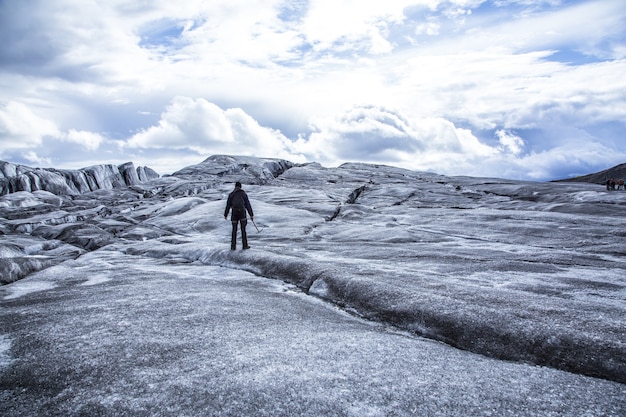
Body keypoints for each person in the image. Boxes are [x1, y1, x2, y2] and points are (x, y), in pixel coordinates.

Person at [224, 182, 254, 250]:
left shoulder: (231, 194)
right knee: (243, 230)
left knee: (234, 230)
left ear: (235, 187)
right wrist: (251, 215)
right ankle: (245, 245)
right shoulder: (243, 194)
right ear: (240, 187)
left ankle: (233, 246)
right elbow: (247, 204)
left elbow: (228, 205)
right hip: (242, 213)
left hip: (234, 213)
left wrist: (225, 214)